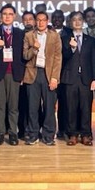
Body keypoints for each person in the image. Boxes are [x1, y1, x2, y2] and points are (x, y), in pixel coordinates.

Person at [0, 3, 25, 146]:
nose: (7, 17)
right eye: (5, 14)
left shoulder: (20, 33)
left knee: (14, 107)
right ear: (1, 16)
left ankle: (13, 133)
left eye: (10, 14)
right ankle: (0, 133)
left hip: (14, 74)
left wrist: (22, 74)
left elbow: (23, 56)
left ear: (14, 16)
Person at [22, 11, 62, 145]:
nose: (40, 22)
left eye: (43, 20)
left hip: (48, 74)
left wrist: (55, 78)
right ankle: (33, 134)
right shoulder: (28, 35)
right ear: (35, 21)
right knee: (32, 107)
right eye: (38, 20)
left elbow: (58, 58)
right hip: (32, 74)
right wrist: (34, 48)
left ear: (47, 21)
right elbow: (25, 56)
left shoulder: (54, 36)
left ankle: (48, 135)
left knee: (49, 107)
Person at [60, 11, 95, 146]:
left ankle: (86, 134)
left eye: (80, 19)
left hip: (86, 79)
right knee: (70, 108)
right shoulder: (64, 38)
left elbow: (94, 60)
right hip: (70, 78)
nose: (77, 22)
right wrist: (71, 48)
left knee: (86, 108)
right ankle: (72, 134)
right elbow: (63, 58)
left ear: (83, 22)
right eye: (74, 19)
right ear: (70, 22)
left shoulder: (90, 40)